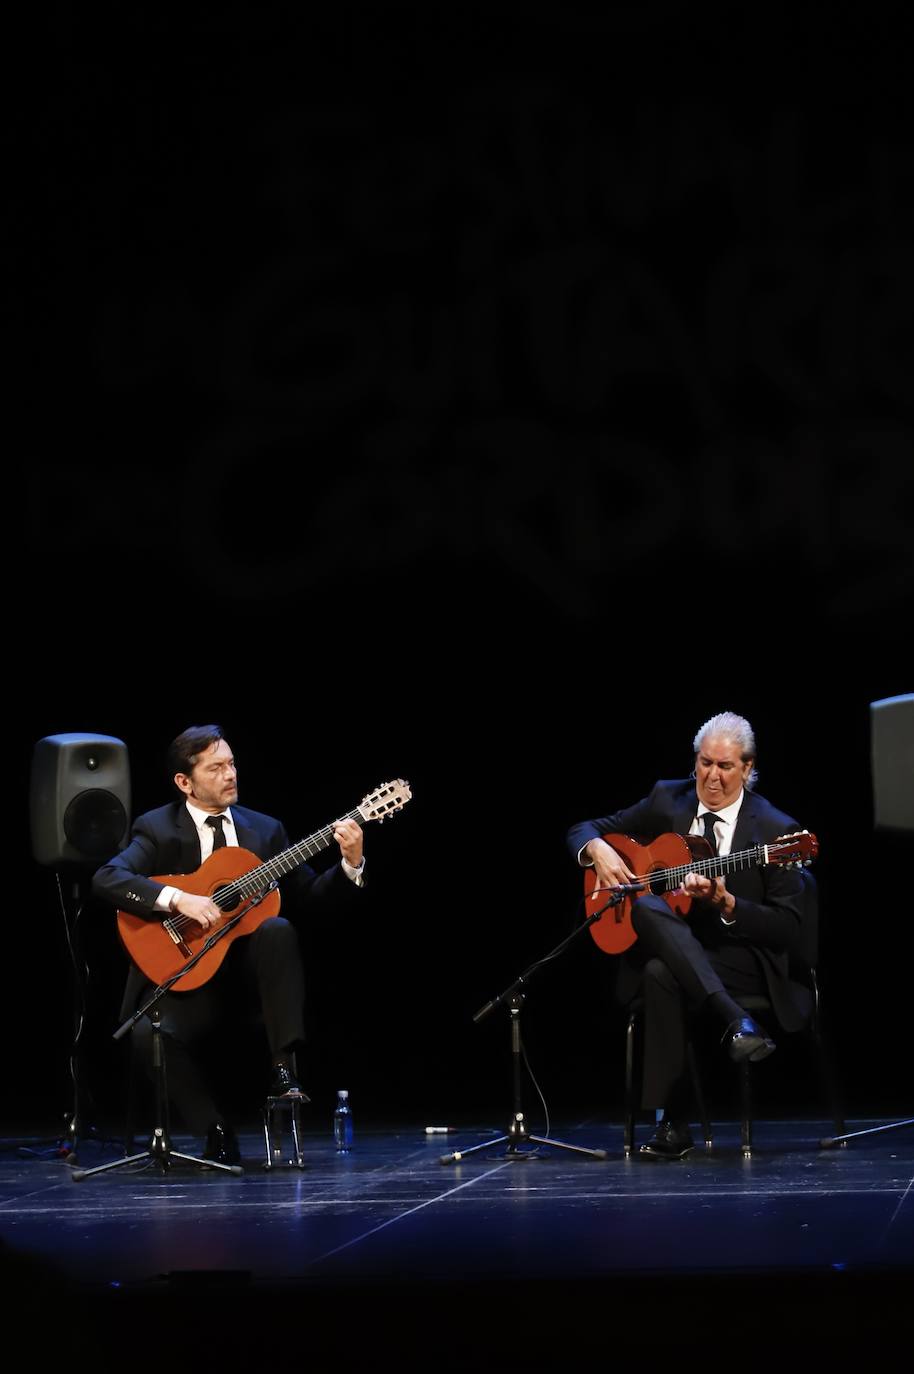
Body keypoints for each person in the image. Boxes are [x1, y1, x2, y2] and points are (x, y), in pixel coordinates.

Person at [93, 723, 365, 1165]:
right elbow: (108, 878)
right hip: (191, 980)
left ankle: (283, 1069)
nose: (231, 774)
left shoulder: (265, 831)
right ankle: (213, 1130)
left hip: (252, 982)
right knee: (148, 1034)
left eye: (232, 764)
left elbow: (312, 896)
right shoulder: (157, 828)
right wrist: (179, 898)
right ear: (185, 782)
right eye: (216, 768)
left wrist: (351, 864)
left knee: (277, 928)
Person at [566, 711, 810, 1160]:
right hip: (677, 948)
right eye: (705, 763)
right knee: (653, 925)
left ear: (748, 768)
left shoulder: (777, 831)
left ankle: (673, 1123)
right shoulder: (667, 798)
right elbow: (582, 829)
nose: (712, 777)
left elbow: (788, 927)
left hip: (740, 955)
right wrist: (597, 849)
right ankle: (734, 1022)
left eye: (725, 766)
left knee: (662, 970)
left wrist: (728, 904)